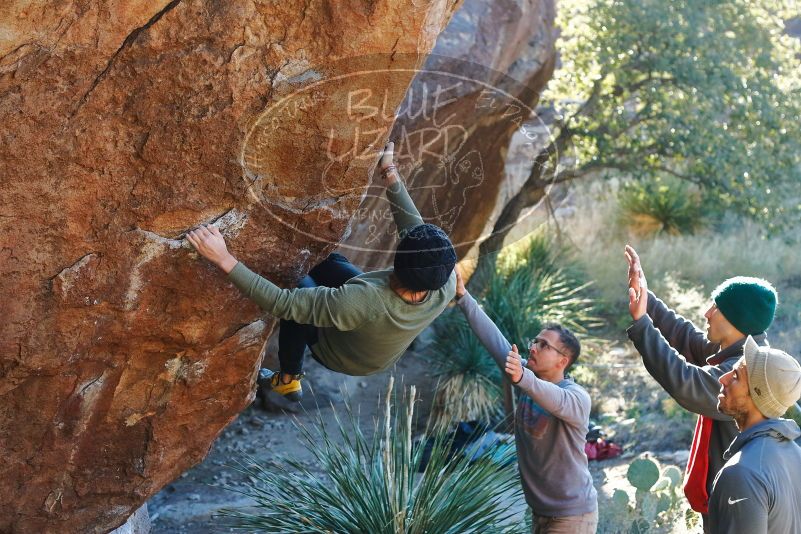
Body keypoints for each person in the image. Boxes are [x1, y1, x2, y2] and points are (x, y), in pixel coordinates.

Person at [187, 142, 456, 400]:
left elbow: (283, 304)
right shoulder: (445, 281)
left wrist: (223, 258)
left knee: (300, 286)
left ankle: (288, 378)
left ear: (399, 260)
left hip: (344, 354)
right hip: (373, 337)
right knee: (329, 262)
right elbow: (413, 227)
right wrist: (389, 170)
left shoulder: (362, 301)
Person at [625, 245, 778, 527]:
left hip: (738, 505)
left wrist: (642, 324)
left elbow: (686, 382)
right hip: (728, 499)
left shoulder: (744, 372)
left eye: (716, 307)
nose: (707, 313)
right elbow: (687, 338)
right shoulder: (738, 352)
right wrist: (645, 296)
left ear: (736, 320)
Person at [454, 269, 598, 534]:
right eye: (536, 341)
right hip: (539, 512)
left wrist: (522, 378)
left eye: (544, 345)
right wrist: (464, 298)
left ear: (562, 361)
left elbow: (554, 398)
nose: (533, 347)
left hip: (572, 516)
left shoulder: (576, 398)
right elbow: (496, 343)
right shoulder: (526, 376)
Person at [710, 336, 801, 534]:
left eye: (736, 376)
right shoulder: (796, 455)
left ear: (758, 395)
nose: (722, 378)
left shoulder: (741, 474)